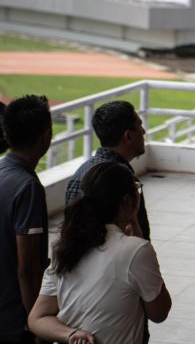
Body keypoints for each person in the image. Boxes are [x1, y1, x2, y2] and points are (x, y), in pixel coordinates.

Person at [28, 161, 171, 344]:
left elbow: (37, 319)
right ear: (127, 200)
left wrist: (70, 334)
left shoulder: (66, 246)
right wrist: (142, 241)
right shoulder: (136, 251)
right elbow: (159, 313)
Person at [0, 95, 52, 344]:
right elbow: (28, 269)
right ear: (45, 136)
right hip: (15, 323)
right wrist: (38, 325)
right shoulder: (27, 187)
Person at [65, 101, 150, 240]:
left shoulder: (81, 171)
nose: (144, 131)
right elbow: (136, 241)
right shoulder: (123, 180)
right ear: (128, 136)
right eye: (140, 125)